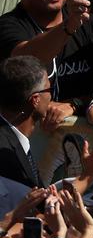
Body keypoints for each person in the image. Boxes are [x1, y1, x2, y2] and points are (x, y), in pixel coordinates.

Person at [0, 55, 50, 187]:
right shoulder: (6, 156)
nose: (51, 96)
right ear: (35, 100)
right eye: (49, 90)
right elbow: (36, 204)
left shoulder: (10, 137)